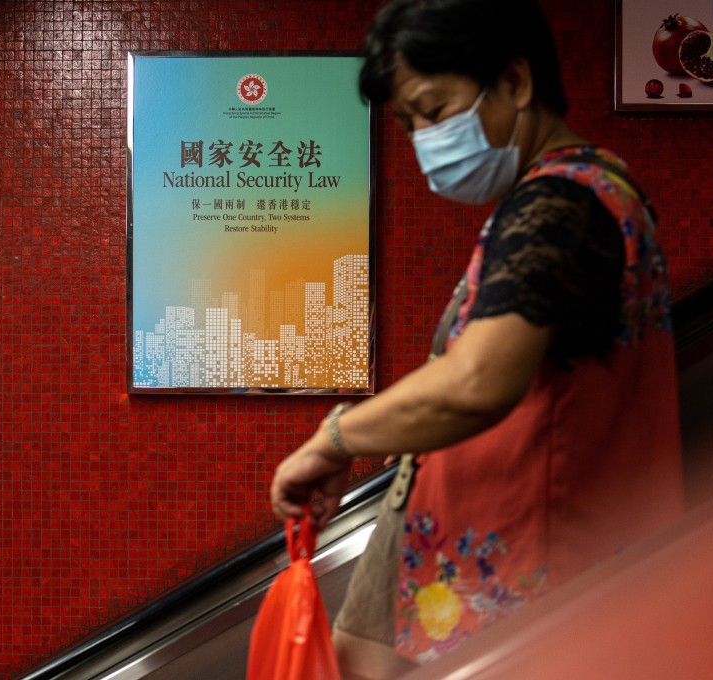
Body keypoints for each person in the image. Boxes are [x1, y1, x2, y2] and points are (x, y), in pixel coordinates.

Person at [269, 0, 684, 677]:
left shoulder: (562, 204)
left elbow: (475, 382)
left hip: (536, 573)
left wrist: (334, 437)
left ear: (516, 83)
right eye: (409, 124)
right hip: (489, 564)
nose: (424, 141)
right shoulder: (573, 194)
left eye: (434, 111)